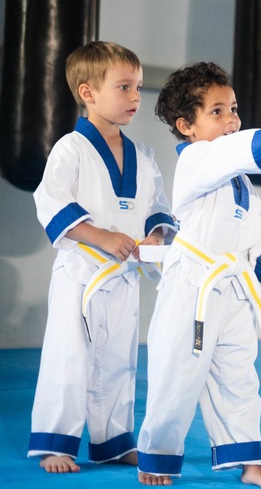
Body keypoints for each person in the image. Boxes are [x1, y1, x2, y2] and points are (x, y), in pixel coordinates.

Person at [135, 62, 261, 488]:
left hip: (233, 292)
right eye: (216, 111)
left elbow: (252, 235)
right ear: (187, 126)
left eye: (233, 109)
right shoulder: (198, 161)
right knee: (177, 376)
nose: (232, 119)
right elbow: (228, 151)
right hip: (193, 287)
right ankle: (158, 456)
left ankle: (249, 462)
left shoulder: (240, 183)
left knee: (239, 376)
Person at [28, 41, 175, 473]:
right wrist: (99, 236)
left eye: (139, 87)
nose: (135, 97)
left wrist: (153, 236)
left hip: (124, 278)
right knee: (69, 356)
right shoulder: (70, 149)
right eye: (124, 87)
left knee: (119, 360)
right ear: (88, 93)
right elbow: (51, 203)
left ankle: (112, 441)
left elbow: (160, 210)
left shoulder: (144, 157)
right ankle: (56, 444)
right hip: (81, 274)